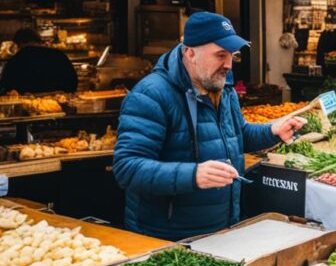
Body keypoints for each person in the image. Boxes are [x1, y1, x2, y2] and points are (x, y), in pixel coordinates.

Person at [113, 12, 306, 240]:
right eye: (220, 55)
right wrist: (193, 175)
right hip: (167, 237)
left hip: (221, 228)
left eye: (232, 56)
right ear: (191, 53)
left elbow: (238, 134)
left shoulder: (223, 89)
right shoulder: (151, 95)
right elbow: (127, 167)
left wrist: (272, 131)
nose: (228, 65)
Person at [0, 28, 78, 94]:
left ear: (18, 43)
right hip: (57, 104)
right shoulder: (58, 55)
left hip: (27, 107)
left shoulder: (14, 62)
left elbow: (6, 88)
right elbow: (72, 83)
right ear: (38, 40)